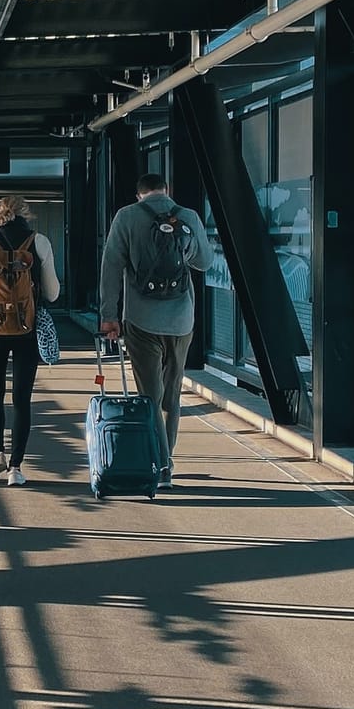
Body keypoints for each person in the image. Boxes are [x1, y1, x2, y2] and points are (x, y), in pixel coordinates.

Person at [98, 173, 212, 484]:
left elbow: (111, 265)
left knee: (149, 394)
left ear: (139, 195)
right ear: (167, 191)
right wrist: (183, 249)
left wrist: (109, 316)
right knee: (171, 395)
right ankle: (167, 458)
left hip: (141, 320)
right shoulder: (187, 216)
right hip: (181, 321)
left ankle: (161, 465)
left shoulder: (127, 217)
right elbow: (205, 261)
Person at [0, 193, 60, 487]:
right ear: (25, 213)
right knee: (22, 399)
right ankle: (16, 468)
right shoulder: (39, 242)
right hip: (26, 329)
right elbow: (53, 293)